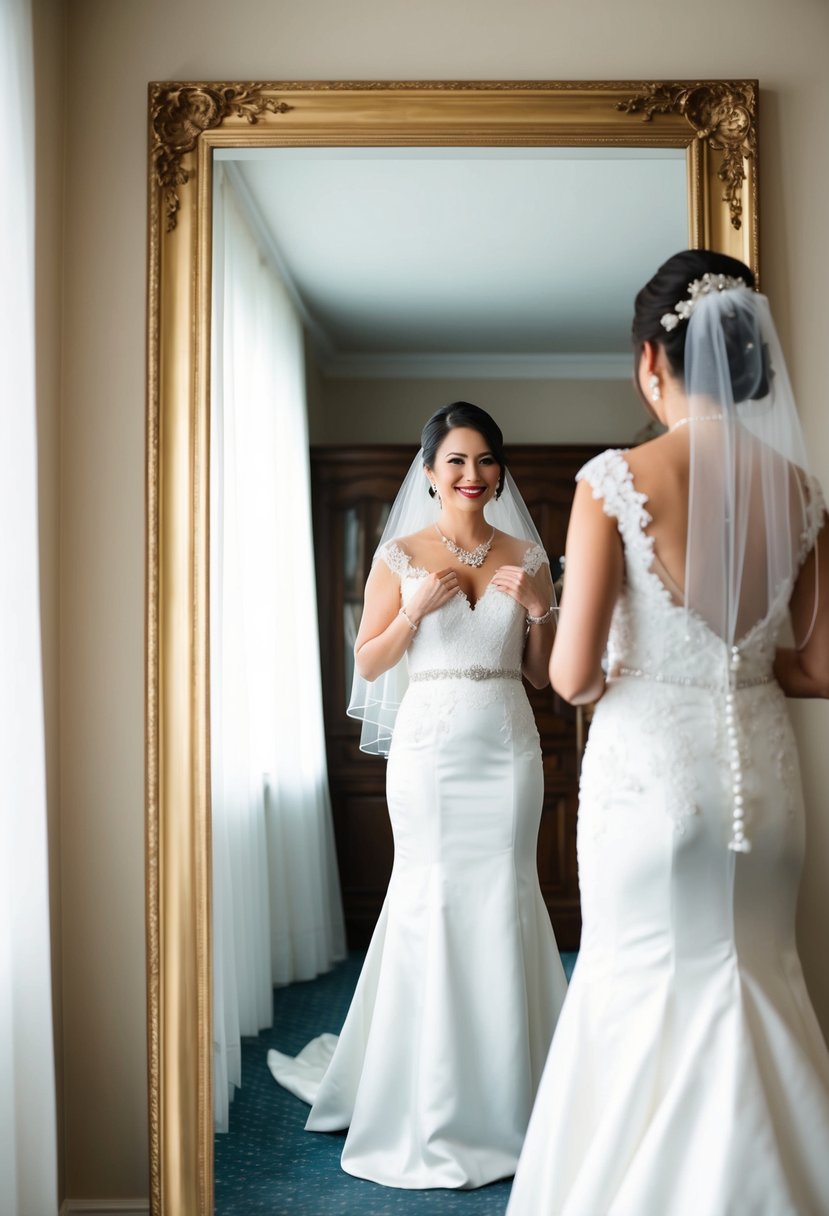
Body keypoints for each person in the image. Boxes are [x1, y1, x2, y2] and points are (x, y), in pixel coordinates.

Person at [507, 250, 829, 1216]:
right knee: (759, 989)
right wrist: (731, 660)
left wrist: (614, 653)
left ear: (653, 359)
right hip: (765, 794)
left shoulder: (614, 479)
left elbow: (570, 677)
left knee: (635, 996)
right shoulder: (802, 492)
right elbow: (815, 667)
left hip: (651, 789)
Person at [268, 401, 568, 1188]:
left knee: (505, 893)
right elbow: (368, 665)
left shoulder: (529, 555)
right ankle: (423, 1093)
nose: (474, 475)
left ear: (498, 470)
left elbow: (543, 676)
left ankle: (516, 1092)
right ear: (430, 473)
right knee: (428, 897)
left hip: (507, 747)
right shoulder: (397, 554)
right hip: (430, 750)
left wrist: (542, 612)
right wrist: (413, 611)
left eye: (486, 460)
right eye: (457, 462)